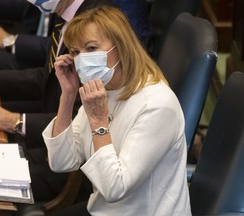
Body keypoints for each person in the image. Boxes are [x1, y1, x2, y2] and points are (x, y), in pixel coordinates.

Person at [0, 0, 114, 202]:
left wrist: (16, 121)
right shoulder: (65, 15)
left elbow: (84, 117)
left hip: (74, 165)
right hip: (51, 137)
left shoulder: (95, 20)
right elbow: (48, 77)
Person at [42, 5, 191, 215]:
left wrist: (98, 121)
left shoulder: (157, 105)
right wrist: (67, 96)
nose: (82, 58)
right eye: (75, 52)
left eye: (91, 48)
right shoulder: (102, 88)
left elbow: (115, 188)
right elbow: (61, 162)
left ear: (120, 47)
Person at [0, 0, 152, 70]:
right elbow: (28, 8)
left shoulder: (115, 6)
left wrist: (10, 41)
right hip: (51, 71)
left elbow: (85, 50)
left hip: (76, 79)